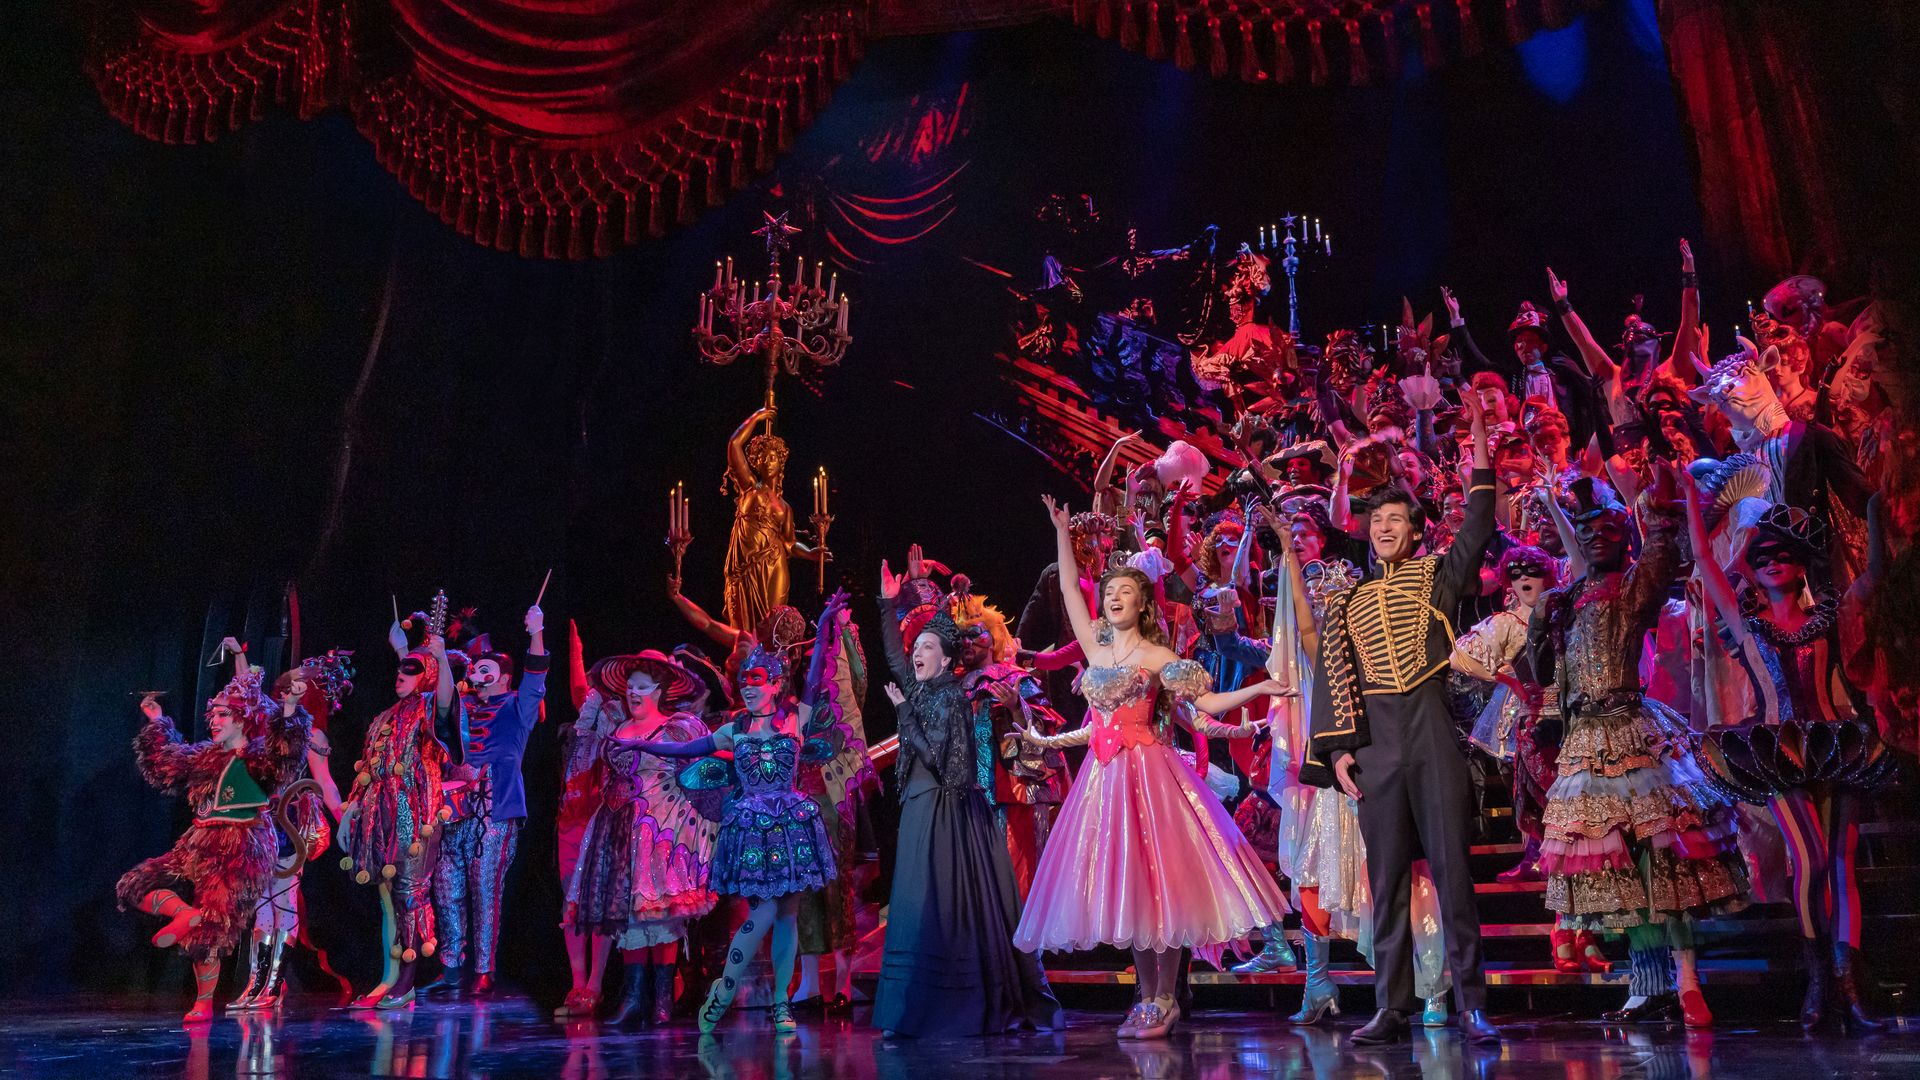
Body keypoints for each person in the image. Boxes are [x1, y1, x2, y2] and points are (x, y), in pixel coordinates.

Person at [1015, 496, 1293, 1041]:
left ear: (1143, 606)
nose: (1114, 597)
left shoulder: (1157, 658)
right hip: (1104, 780)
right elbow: (1071, 590)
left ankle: (1165, 997)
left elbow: (1206, 706)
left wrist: (1259, 686)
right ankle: (1144, 995)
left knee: (1163, 890)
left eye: (1125, 592)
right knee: (1132, 893)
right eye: (1110, 592)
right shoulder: (1097, 651)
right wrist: (1062, 534)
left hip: (1151, 776)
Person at [1307, 391, 1502, 1046]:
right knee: (1385, 882)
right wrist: (1339, 753)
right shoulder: (1348, 599)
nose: (1385, 526)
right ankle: (1390, 1007)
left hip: (1430, 734)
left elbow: (1477, 523)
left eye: (1397, 518)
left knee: (1452, 872)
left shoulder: (1437, 578)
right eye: (1377, 520)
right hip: (1379, 748)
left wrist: (1478, 439)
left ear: (1416, 530)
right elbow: (1336, 681)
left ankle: (1473, 1004)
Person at [1528, 471, 1749, 1029]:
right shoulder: (1566, 599)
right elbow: (1544, 671)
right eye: (1586, 530)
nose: (1596, 536)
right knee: (1616, 865)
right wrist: (1537, 625)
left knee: (1660, 858)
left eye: (1607, 528)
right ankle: (1646, 985)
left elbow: (1659, 552)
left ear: (1623, 536)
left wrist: (1654, 502)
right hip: (1583, 739)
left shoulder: (1631, 586)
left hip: (1630, 729)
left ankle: (1688, 981)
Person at [1687, 495, 1895, 1033]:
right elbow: (1708, 564)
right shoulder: (1745, 622)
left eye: (1786, 553)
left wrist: (1871, 511)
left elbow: (1875, 574)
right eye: (1763, 556)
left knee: (1841, 862)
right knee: (1811, 860)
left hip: (1835, 742)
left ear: (1803, 564)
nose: (1772, 560)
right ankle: (1819, 975)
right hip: (1778, 750)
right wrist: (1692, 493)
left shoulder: (1829, 615)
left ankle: (1849, 978)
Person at [629, 593, 849, 1034]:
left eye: (758, 679)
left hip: (791, 827)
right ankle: (725, 987)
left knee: (787, 914)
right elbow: (685, 748)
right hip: (751, 831)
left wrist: (824, 622)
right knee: (765, 910)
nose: (747, 685)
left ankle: (781, 1005)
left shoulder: (794, 721)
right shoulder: (735, 728)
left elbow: (818, 669)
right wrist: (642, 743)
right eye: (744, 680)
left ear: (776, 685)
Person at [872, 554, 1063, 1037]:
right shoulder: (923, 689)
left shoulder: (951, 697)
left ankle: (957, 1003)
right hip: (921, 808)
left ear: (946, 656)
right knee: (918, 906)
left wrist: (903, 716)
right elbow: (898, 656)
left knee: (947, 905)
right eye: (917, 646)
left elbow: (939, 760)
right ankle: (912, 1006)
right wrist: (889, 602)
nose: (916, 653)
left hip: (947, 810)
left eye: (928, 646)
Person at [118, 666, 312, 1022]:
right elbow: (164, 765)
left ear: (242, 720)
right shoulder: (203, 757)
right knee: (136, 884)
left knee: (212, 928)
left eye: (224, 714)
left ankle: (203, 1003)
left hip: (240, 847)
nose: (215, 721)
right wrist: (157, 722)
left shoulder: (257, 758)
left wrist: (291, 708)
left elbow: (287, 753)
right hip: (199, 841)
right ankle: (183, 913)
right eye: (213, 714)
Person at [558, 651, 715, 1025]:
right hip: (615, 829)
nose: (633, 692)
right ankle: (632, 998)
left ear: (660, 690)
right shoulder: (614, 725)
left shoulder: (679, 727)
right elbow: (580, 762)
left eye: (642, 686)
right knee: (627, 916)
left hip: (657, 833)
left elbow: (703, 777)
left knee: (659, 914)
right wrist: (589, 714)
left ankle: (661, 1000)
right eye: (630, 685)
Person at [338, 622, 466, 1009]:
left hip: (415, 808)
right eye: (399, 669)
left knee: (410, 894)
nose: (400, 675)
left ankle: (406, 981)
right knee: (387, 897)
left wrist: (440, 657)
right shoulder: (385, 716)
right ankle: (388, 977)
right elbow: (369, 768)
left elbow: (444, 701)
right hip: (380, 812)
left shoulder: (428, 707)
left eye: (411, 671)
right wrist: (351, 811)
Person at [425, 605, 547, 999]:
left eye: (486, 670)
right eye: (475, 670)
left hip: (495, 809)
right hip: (454, 807)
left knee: (485, 888)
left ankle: (483, 968)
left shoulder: (517, 706)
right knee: (446, 886)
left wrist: (536, 632)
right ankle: (450, 967)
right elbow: (441, 704)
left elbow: (535, 678)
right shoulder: (465, 706)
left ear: (504, 678)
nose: (477, 675)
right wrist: (440, 657)